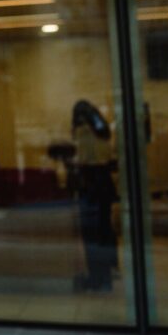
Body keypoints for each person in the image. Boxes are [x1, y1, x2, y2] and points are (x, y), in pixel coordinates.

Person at [70, 100, 118, 292]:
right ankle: (106, 277)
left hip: (90, 184)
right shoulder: (103, 130)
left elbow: (81, 159)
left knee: (91, 234)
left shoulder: (83, 131)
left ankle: (96, 278)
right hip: (105, 183)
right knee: (104, 231)